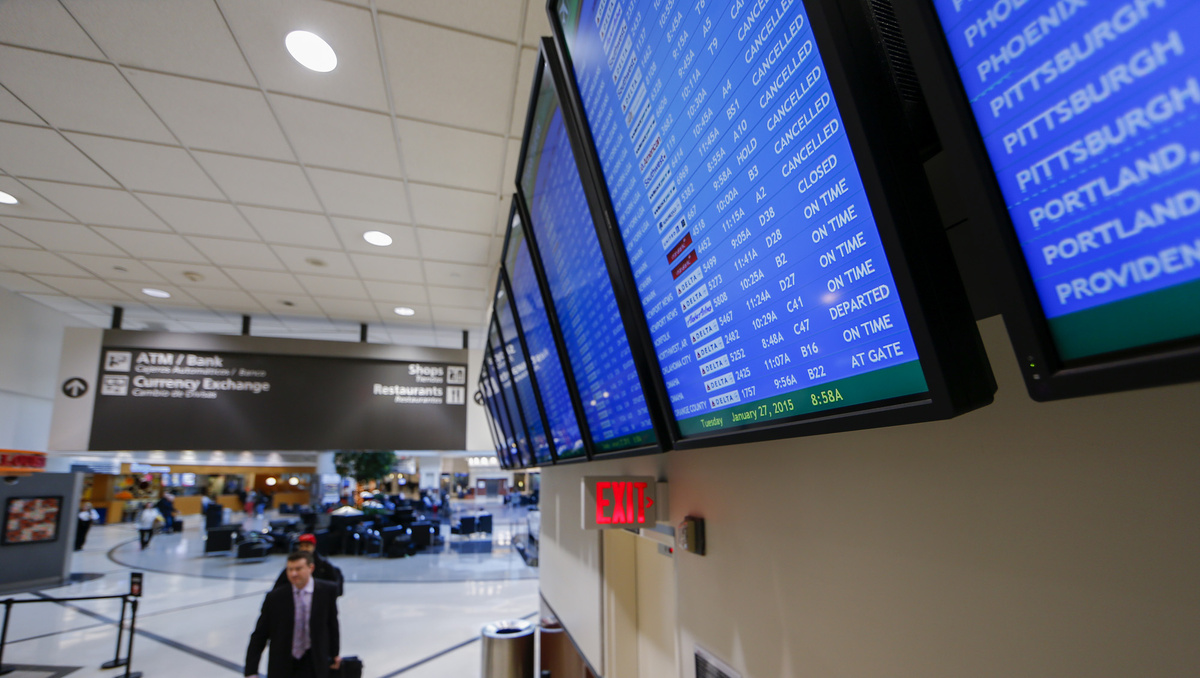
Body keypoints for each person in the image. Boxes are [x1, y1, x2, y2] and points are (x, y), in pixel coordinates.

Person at [245, 551, 341, 678]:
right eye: (290, 569)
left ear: (311, 568)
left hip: (314, 662)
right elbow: (259, 635)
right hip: (283, 664)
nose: (293, 574)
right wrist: (251, 671)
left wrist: (334, 654)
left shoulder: (327, 591)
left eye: (298, 569)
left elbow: (332, 625)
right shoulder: (275, 597)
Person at [273, 534, 343, 597]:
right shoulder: (293, 565)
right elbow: (277, 589)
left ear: (314, 546)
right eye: (302, 546)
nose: (304, 549)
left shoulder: (324, 566)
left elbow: (335, 589)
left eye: (307, 546)